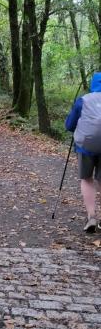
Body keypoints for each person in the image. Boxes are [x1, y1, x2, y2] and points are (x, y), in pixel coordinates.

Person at [65, 72, 101, 233]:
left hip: (85, 146)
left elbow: (69, 125)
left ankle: (91, 216)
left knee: (87, 179)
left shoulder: (83, 100)